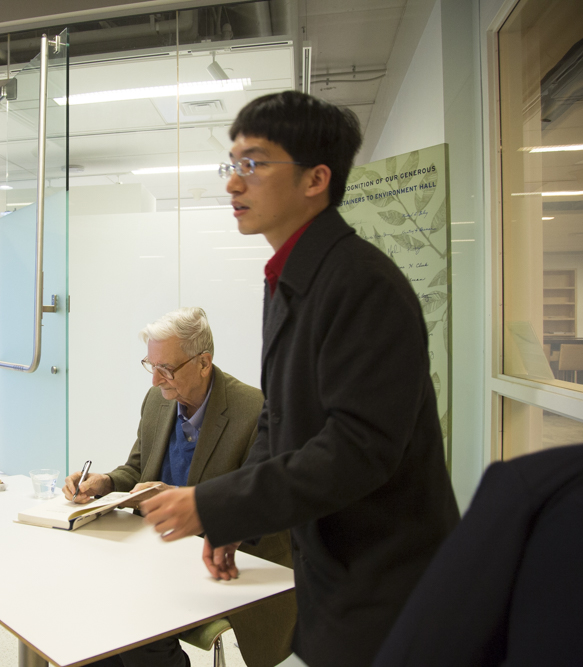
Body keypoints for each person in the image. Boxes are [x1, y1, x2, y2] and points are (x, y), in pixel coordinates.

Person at [139, 91, 460, 667]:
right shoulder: (289, 279)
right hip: (330, 572)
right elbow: (280, 425)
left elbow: (357, 448)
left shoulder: (363, 284)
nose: (234, 184)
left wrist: (214, 503)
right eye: (232, 165)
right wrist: (237, 517)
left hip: (386, 582)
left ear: (316, 179)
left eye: (254, 164)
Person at [64, 307, 296, 667]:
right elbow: (138, 469)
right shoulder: (159, 401)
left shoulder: (253, 410)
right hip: (158, 554)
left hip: (224, 559)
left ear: (204, 363)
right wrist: (105, 483)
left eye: (166, 369)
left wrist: (189, 505)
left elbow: (260, 511)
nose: (155, 381)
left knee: (139, 626)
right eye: (150, 366)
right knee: (91, 614)